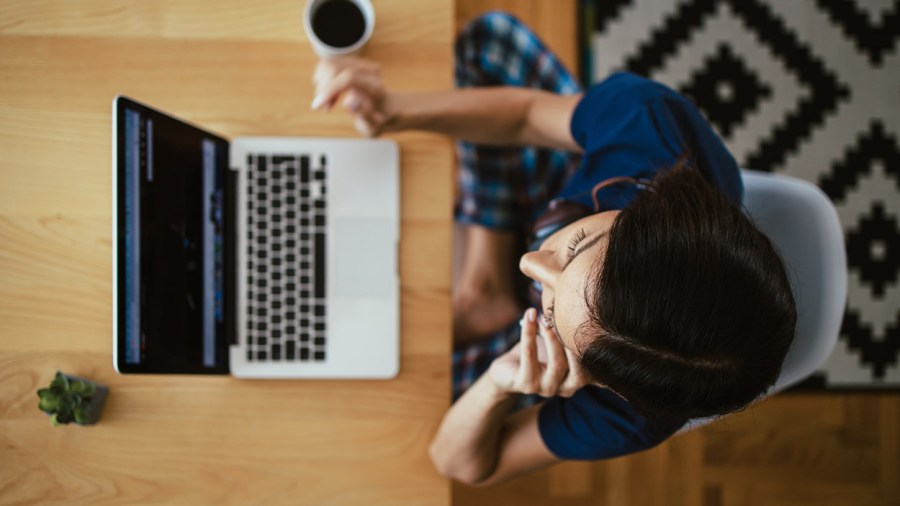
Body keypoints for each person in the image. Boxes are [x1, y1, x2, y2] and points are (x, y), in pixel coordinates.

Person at [311, 12, 797, 486]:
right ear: (652, 212)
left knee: (375, 394)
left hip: (527, 348)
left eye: (551, 311)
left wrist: (501, 382)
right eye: (580, 244)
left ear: (599, 381)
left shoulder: (627, 417)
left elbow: (457, 464)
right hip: (554, 187)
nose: (532, 262)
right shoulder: (649, 124)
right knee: (490, 40)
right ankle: (488, 286)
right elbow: (527, 116)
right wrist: (391, 112)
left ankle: (499, 291)